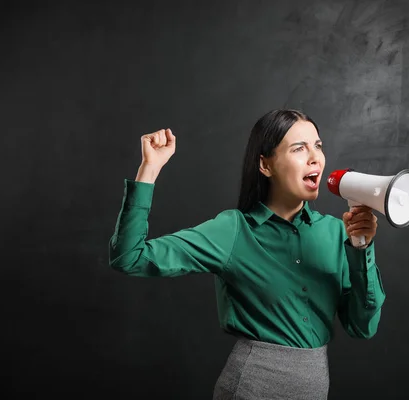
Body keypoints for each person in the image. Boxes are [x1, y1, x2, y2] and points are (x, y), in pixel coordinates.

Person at [108, 109, 386, 400]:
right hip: (250, 388)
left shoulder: (336, 232)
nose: (315, 157)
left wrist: (361, 248)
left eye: (317, 146)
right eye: (299, 148)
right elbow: (129, 257)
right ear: (265, 165)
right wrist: (148, 171)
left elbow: (362, 327)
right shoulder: (234, 230)